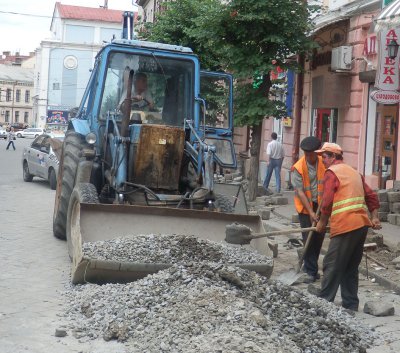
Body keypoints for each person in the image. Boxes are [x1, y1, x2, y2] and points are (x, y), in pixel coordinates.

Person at [314, 142, 381, 312]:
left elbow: (328, 200)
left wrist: (322, 222)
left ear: (333, 157)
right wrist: (374, 217)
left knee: (332, 263)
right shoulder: (354, 172)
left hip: (346, 225)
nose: (322, 160)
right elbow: (371, 196)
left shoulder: (332, 172)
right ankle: (350, 304)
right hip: (361, 225)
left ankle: (324, 302)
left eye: (324, 156)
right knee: (350, 266)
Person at [291, 136, 326, 283]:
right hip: (305, 208)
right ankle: (311, 271)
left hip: (322, 205)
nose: (308, 156)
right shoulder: (298, 168)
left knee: (318, 237)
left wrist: (320, 209)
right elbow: (300, 192)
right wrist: (311, 212)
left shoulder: (324, 163)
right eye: (306, 153)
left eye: (311, 153)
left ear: (317, 152)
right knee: (309, 238)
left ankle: (308, 267)